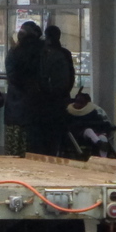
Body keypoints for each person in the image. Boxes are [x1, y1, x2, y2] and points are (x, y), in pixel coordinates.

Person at [3, 21, 43, 157]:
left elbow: (12, 77)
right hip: (35, 106)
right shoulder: (41, 52)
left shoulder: (14, 52)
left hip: (15, 104)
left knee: (14, 142)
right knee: (32, 145)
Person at [36, 24, 76, 156]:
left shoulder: (43, 53)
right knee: (59, 131)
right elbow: (71, 76)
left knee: (46, 133)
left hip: (45, 100)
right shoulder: (65, 53)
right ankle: (60, 153)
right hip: (62, 98)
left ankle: (48, 154)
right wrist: (65, 93)